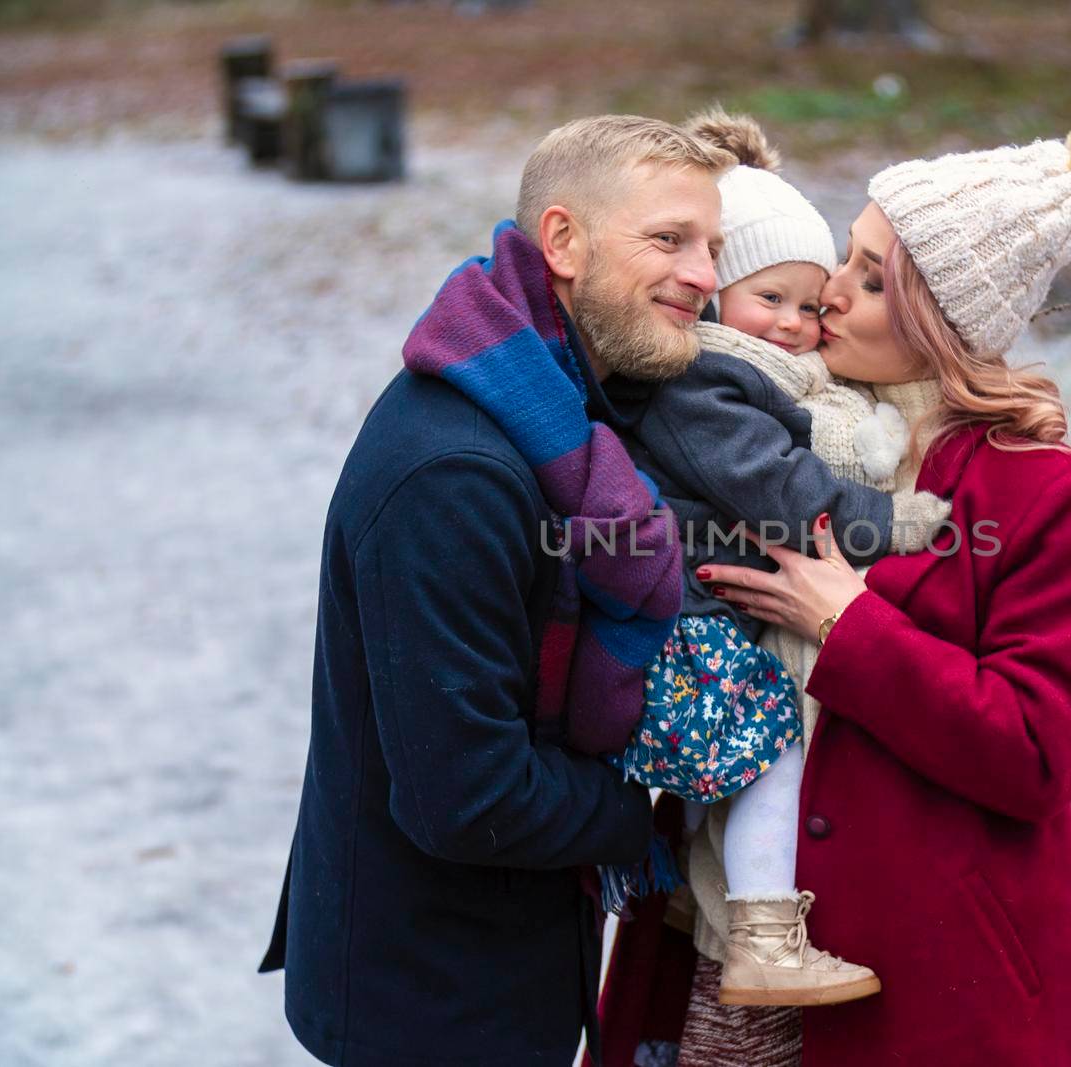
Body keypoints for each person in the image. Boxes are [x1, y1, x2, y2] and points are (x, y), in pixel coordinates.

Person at [597, 116, 1071, 1067]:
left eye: (870, 278)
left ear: (944, 318)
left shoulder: (1039, 493)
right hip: (720, 946)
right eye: (843, 260)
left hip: (927, 982)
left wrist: (847, 625)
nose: (829, 296)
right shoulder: (766, 434)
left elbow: (1037, 751)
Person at [258, 114, 733, 1067]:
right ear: (563, 241)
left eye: (714, 246)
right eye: (670, 240)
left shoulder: (551, 408)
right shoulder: (458, 472)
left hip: (499, 961)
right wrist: (640, 818)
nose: (706, 276)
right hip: (431, 1002)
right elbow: (465, 795)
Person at [599, 108, 950, 1009]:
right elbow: (787, 499)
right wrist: (895, 521)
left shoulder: (749, 369)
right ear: (717, 297)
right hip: (693, 622)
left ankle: (722, 917)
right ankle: (761, 935)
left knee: (757, 756)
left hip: (708, 613)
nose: (795, 324)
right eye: (770, 300)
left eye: (809, 301)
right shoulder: (704, 383)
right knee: (773, 749)